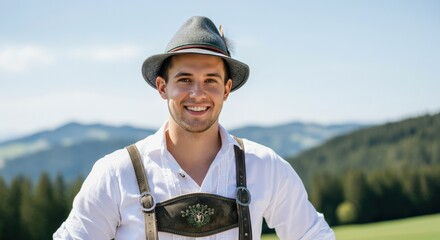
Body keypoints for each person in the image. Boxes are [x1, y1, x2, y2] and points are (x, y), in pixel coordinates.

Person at [54, 16, 335, 240]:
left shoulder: (264, 167)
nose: (198, 93)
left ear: (226, 90)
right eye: (185, 79)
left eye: (211, 80)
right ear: (163, 87)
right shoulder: (115, 174)